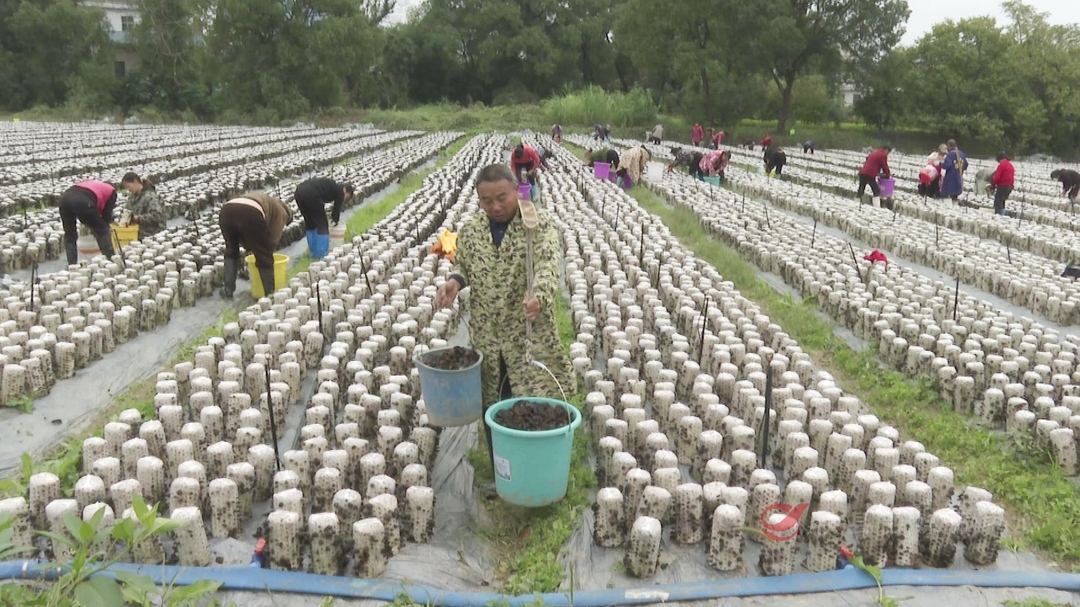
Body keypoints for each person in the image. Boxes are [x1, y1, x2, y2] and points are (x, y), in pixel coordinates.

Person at [435, 164, 572, 475]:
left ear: (516, 191)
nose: (495, 206)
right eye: (486, 200)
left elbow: (549, 264)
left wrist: (540, 296)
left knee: (531, 401)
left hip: (526, 334)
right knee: (492, 402)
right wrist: (454, 283)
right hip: (487, 332)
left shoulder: (535, 224)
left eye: (501, 198)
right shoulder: (471, 230)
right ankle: (502, 470)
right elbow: (466, 265)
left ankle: (535, 469)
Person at [218, 192, 292, 299]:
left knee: (231, 250)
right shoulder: (282, 213)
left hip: (227, 210)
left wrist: (252, 246)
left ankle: (227, 290)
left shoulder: (268, 201)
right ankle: (270, 295)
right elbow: (271, 242)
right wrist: (263, 252)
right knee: (264, 256)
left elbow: (246, 233)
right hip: (250, 212)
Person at [294, 178, 354, 260]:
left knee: (310, 223)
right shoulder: (340, 191)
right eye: (347, 197)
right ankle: (323, 255)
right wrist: (335, 221)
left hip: (299, 192)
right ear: (346, 191)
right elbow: (336, 211)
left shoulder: (332, 185)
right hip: (312, 194)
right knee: (322, 225)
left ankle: (313, 253)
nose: (345, 199)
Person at [59, 180, 117, 265]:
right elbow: (106, 216)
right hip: (82, 202)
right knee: (103, 230)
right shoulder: (111, 190)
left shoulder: (93, 184)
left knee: (70, 235)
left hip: (64, 200)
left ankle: (72, 264)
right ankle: (111, 259)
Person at [121, 172, 167, 238]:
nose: (128, 190)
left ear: (135, 182)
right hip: (138, 232)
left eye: (129, 186)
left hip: (153, 234)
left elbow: (157, 216)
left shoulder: (150, 196)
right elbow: (128, 209)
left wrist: (139, 218)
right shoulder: (133, 197)